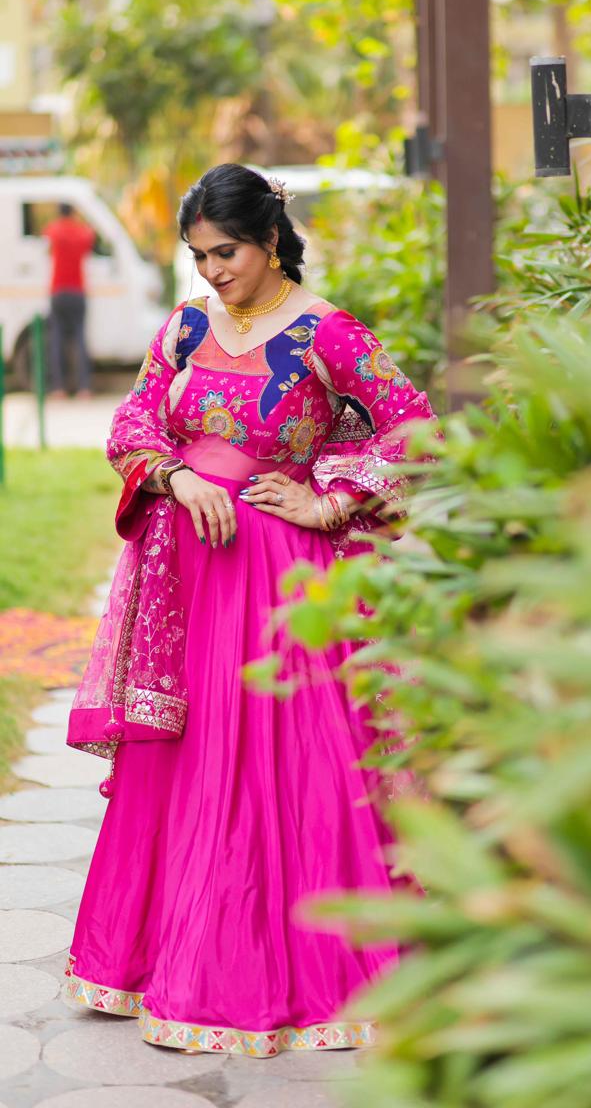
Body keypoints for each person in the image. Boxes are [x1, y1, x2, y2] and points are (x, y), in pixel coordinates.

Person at [62, 163, 440, 1057]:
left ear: (270, 240)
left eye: (225, 252)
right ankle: (161, 959)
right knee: (192, 766)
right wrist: (179, 474)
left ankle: (299, 972)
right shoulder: (186, 326)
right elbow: (132, 426)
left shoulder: (327, 332)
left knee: (286, 772)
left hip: (280, 586)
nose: (212, 272)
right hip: (187, 582)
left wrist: (332, 499)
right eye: (198, 256)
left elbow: (414, 428)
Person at [44, 201, 96, 399]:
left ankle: (58, 389)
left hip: (58, 290)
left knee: (56, 339)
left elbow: (47, 248)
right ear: (73, 212)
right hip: (77, 291)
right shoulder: (82, 231)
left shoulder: (53, 230)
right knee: (80, 339)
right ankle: (84, 388)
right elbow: (90, 241)